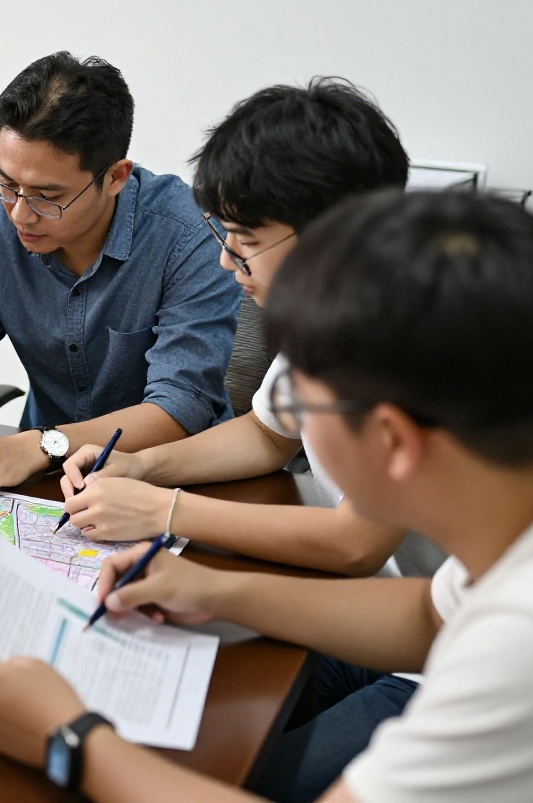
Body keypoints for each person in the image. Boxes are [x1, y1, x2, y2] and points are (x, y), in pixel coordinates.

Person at [0, 190, 533, 803]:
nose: (284, 415)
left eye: (301, 400)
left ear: (391, 438)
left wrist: (73, 739)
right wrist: (214, 590)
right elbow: (432, 616)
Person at [57, 79, 435, 578]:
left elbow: (355, 544)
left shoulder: (419, 342)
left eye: (247, 240)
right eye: (225, 233)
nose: (226, 260)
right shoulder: (324, 311)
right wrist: (142, 466)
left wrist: (164, 510)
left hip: (438, 613)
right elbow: (268, 434)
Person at [0, 53, 238, 502]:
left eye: (48, 196)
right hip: (43, 478)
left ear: (116, 177)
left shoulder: (187, 235)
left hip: (167, 482)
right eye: (8, 184)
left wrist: (43, 445)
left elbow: (181, 404)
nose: (20, 214)